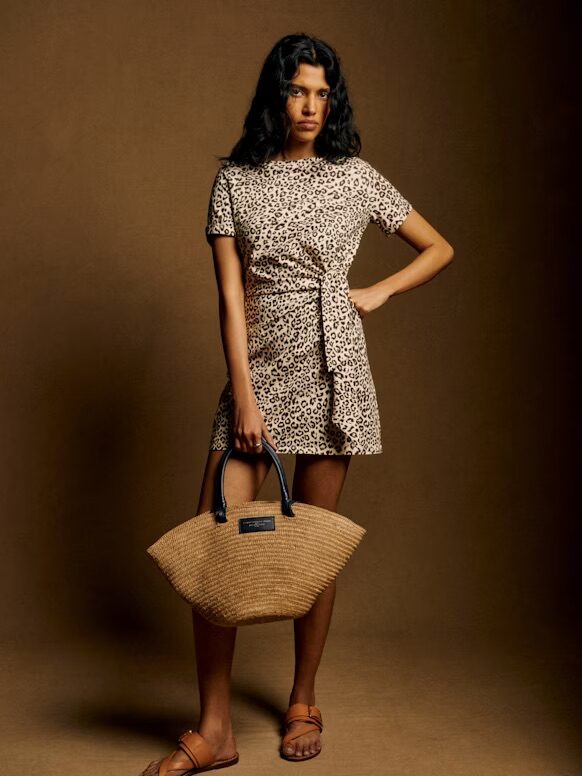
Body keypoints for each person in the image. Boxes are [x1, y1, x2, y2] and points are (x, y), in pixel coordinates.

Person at [140, 32, 454, 776]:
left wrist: (375, 292)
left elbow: (438, 247)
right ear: (275, 96)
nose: (311, 105)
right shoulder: (236, 182)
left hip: (335, 368)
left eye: (322, 92)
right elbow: (228, 296)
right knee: (218, 539)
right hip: (261, 375)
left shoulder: (355, 176)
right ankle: (214, 727)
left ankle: (303, 699)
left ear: (331, 100)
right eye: (297, 90)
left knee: (315, 547)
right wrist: (244, 395)